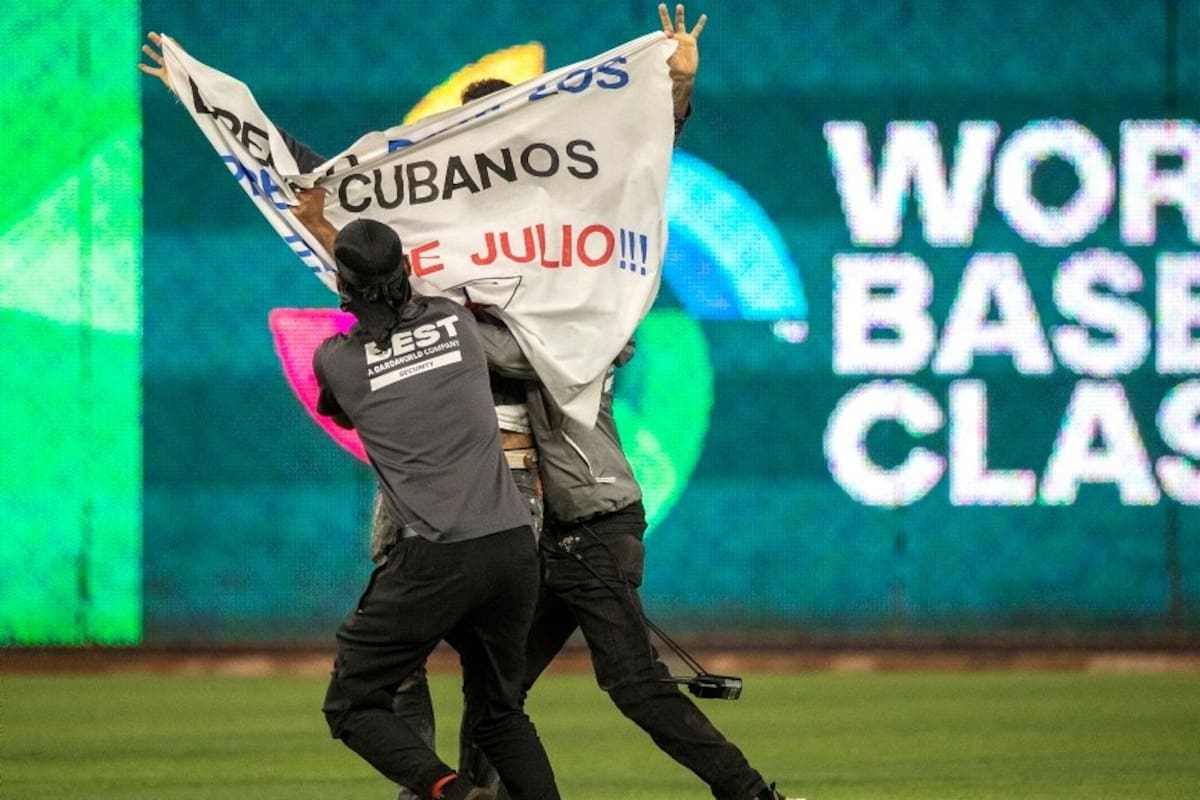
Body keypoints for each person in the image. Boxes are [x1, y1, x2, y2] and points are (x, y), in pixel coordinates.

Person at [295, 196, 560, 800]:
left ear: (344, 286)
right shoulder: (459, 322)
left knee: (352, 703)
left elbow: (341, 404)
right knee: (500, 714)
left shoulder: (337, 361)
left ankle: (456, 795)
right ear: (407, 269)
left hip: (439, 556)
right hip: (514, 549)